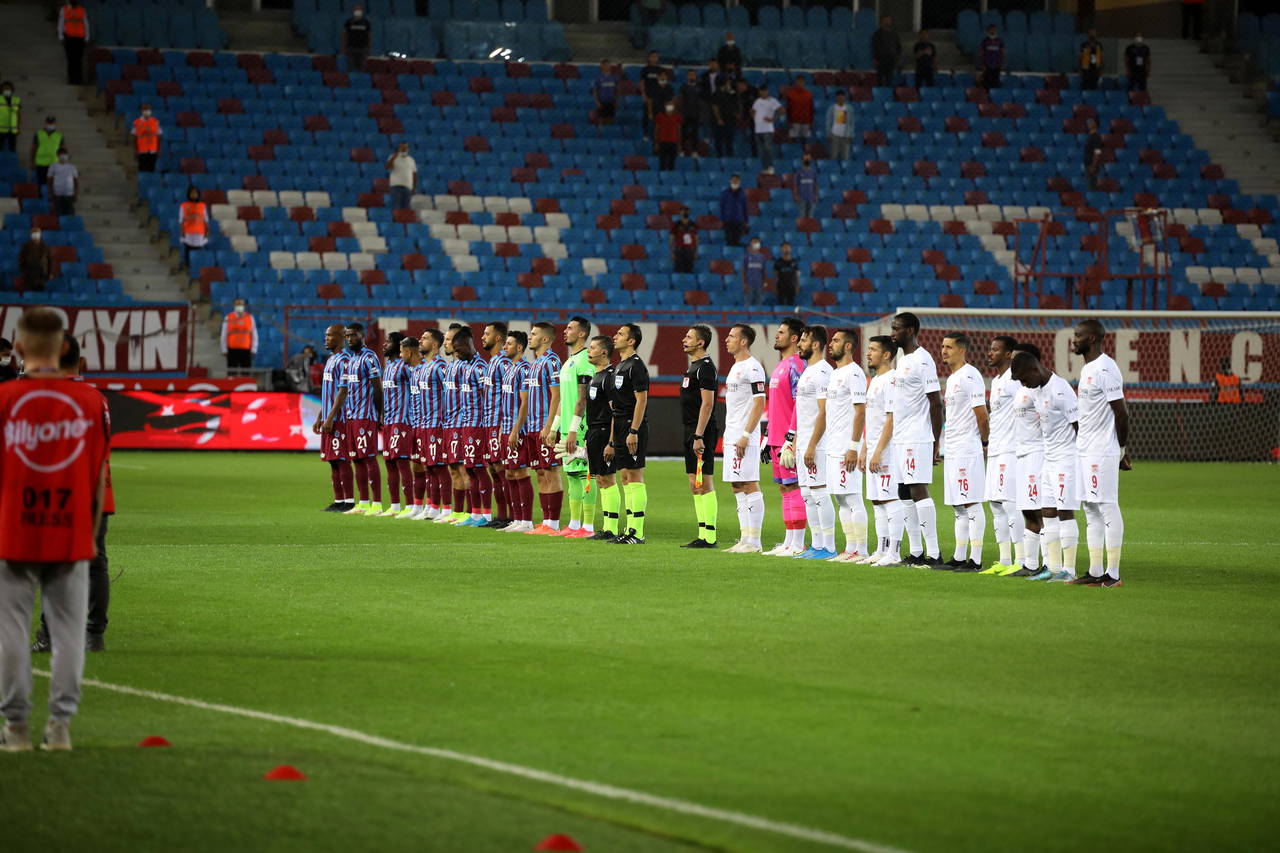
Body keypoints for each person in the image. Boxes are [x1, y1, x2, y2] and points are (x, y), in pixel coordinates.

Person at [0, 308, 109, 753]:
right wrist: (90, 530)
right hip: (71, 531)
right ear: (65, 347)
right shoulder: (90, 401)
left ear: (20, 348)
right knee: (68, 634)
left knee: (10, 632)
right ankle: (61, 728)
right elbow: (97, 476)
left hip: (15, 531)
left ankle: (17, 730)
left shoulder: (5, 399)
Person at [31, 332, 114, 655]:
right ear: (80, 361)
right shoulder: (97, 397)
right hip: (96, 491)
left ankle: (50, 636)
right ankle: (93, 634)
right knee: (96, 562)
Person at [868, 312, 942, 567]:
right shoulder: (903, 361)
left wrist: (935, 440)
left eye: (897, 329)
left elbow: (936, 402)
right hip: (901, 437)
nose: (892, 333)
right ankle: (917, 551)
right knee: (902, 492)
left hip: (917, 436)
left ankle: (933, 553)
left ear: (910, 331)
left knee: (917, 489)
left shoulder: (923, 360)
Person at [1068, 319, 1130, 587]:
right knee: (1090, 508)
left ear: (1092, 338)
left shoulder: (1105, 368)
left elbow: (1122, 411)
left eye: (1078, 335)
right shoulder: (1088, 369)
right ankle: (1094, 571)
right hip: (1085, 449)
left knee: (1106, 505)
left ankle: (1113, 574)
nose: (1074, 339)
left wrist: (1121, 448)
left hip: (1101, 450)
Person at [1010, 349, 1081, 582]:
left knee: (1064, 511)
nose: (1024, 384)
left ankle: (1069, 571)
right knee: (1048, 512)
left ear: (1034, 368)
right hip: (1048, 459)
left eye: (1023, 378)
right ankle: (1052, 568)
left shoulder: (1061, 390)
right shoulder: (1038, 389)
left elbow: (1079, 425)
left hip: (1065, 458)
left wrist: (1081, 458)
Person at [937, 332, 989, 572]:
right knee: (958, 506)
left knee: (971, 504)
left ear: (962, 350)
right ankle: (959, 556)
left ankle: (975, 560)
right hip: (954, 449)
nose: (944, 350)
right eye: (943, 346)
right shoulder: (954, 378)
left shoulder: (970, 376)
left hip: (968, 449)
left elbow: (981, 414)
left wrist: (985, 443)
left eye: (949, 347)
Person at [720, 324, 768, 554]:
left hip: (744, 435)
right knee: (737, 485)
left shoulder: (753, 367)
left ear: (744, 342)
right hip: (732, 433)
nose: (726, 339)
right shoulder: (735, 367)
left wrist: (746, 434)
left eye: (731, 336)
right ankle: (744, 539)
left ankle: (755, 542)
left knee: (749, 482)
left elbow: (760, 402)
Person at [978, 335, 1024, 575]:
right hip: (995, 450)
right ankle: (1005, 560)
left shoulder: (1016, 381)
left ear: (1009, 354)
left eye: (995, 350)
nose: (990, 353)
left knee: (1010, 503)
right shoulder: (996, 381)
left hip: (1011, 449)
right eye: (990, 349)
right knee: (995, 504)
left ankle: (1022, 559)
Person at [857, 335, 903, 564]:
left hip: (888, 450)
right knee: (876, 500)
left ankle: (894, 552)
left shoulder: (892, 380)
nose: (868, 353)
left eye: (873, 349)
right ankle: (881, 549)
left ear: (886, 355)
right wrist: (865, 448)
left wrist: (878, 451)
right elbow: (871, 420)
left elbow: (891, 420)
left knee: (890, 499)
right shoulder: (874, 380)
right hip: (874, 447)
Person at [603, 323, 649, 544]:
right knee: (624, 476)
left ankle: (637, 532)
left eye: (620, 334)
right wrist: (612, 440)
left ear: (632, 341)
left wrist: (634, 430)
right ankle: (629, 528)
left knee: (634, 475)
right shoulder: (618, 367)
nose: (615, 336)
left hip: (632, 425)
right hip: (619, 425)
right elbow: (615, 408)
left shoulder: (636, 366)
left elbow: (642, 400)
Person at [824, 329, 868, 562]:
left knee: (852, 497)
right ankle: (850, 548)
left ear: (849, 346)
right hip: (833, 445)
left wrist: (853, 445)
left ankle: (861, 549)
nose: (831, 344)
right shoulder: (834, 374)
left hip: (845, 446)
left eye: (837, 340)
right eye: (831, 340)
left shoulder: (855, 373)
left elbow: (860, 410)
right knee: (840, 498)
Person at [765, 318, 807, 556]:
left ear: (794, 338)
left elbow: (801, 404)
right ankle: (789, 541)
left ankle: (798, 543)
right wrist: (767, 436)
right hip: (775, 439)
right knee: (784, 489)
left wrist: (793, 438)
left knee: (795, 488)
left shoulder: (796, 366)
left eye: (781, 332)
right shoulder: (780, 365)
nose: (776, 335)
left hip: (789, 439)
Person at [1004, 342, 1046, 577]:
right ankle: (1029, 564)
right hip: (1020, 453)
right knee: (1027, 511)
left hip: (1037, 454)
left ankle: (1050, 564)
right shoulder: (1021, 387)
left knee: (1040, 511)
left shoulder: (1040, 387)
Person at [793, 325, 836, 559]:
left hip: (817, 444)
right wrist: (798, 441)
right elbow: (804, 413)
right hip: (804, 443)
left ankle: (828, 546)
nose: (799, 344)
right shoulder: (808, 371)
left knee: (819, 493)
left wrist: (811, 444)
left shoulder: (822, 372)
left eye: (804, 340)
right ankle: (817, 544)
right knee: (808, 494)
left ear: (816, 344)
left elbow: (824, 412)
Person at [552, 317, 596, 538]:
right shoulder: (568, 361)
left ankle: (588, 526)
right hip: (567, 427)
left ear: (581, 334)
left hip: (579, 427)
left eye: (570, 328)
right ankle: (574, 524)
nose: (565, 331)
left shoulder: (585, 361)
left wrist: (572, 429)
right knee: (571, 475)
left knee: (584, 474)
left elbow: (583, 399)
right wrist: (554, 428)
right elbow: (563, 398)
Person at [576, 335, 621, 541]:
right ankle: (607, 527)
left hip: (605, 432)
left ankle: (611, 527)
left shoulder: (610, 377)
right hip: (594, 431)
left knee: (608, 478)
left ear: (604, 352)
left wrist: (612, 442)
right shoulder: (596, 375)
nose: (589, 351)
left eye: (593, 348)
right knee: (601, 479)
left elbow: (615, 412)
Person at [679, 325, 719, 549]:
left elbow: (708, 403)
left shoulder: (705, 368)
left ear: (701, 342)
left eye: (689, 337)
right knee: (695, 483)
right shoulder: (693, 367)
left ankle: (710, 536)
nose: (684, 340)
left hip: (700, 431)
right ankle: (702, 532)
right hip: (690, 429)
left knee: (705, 482)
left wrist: (699, 435)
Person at [338, 322, 384, 515]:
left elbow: (377, 387)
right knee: (356, 459)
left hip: (366, 416)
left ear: (362, 336)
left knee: (369, 458)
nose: (349, 339)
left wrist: (380, 414)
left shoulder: (369, 357)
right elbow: (345, 390)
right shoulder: (350, 360)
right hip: (351, 416)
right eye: (347, 336)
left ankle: (377, 503)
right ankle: (363, 502)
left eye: (353, 335)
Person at [524, 322, 563, 533]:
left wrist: (550, 426)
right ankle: (546, 521)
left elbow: (557, 395)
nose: (530, 337)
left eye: (534, 334)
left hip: (544, 426)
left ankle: (554, 523)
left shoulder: (552, 362)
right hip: (532, 426)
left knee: (550, 470)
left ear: (545, 339)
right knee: (539, 472)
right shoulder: (535, 363)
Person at [451, 325, 491, 526]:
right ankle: (475, 513)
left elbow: (488, 398)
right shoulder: (464, 367)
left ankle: (488, 514)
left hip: (478, 426)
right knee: (470, 469)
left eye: (459, 349)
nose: (457, 353)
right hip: (466, 425)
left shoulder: (480, 367)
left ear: (468, 344)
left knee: (479, 469)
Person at [315, 324, 355, 512]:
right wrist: (320, 417)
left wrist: (330, 418)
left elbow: (343, 392)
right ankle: (339, 501)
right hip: (330, 417)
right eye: (326, 335)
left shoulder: (345, 360)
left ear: (341, 337)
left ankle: (349, 501)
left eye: (330, 335)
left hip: (341, 418)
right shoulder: (331, 359)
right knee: (332, 460)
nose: (326, 338)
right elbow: (327, 392)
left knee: (341, 459)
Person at [499, 330, 535, 532]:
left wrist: (515, 430)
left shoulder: (524, 369)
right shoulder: (509, 369)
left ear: (519, 347)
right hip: (507, 428)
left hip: (518, 429)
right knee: (510, 473)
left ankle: (526, 521)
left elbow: (525, 402)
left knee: (520, 471)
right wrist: (502, 429)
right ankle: (516, 519)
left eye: (509, 344)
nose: (505, 347)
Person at [478, 322, 513, 529]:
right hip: (487, 424)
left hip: (500, 424)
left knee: (503, 469)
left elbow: (511, 395)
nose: (483, 337)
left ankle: (512, 516)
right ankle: (501, 516)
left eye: (487, 333)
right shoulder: (491, 362)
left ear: (498, 338)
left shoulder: (504, 363)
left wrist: (503, 425)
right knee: (493, 468)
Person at [377, 332, 415, 518]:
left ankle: (409, 506)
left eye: (388, 341)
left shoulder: (404, 367)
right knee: (389, 462)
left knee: (401, 462)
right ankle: (394, 505)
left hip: (403, 421)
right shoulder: (389, 366)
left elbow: (416, 386)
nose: (384, 344)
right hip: (390, 421)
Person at [417, 328, 452, 520]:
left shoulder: (440, 367)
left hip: (438, 423)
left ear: (435, 344)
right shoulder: (423, 367)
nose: (420, 340)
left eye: (425, 338)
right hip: (424, 423)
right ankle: (432, 505)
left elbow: (449, 395)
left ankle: (445, 508)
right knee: (428, 466)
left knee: (439, 465)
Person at [395, 336, 425, 518]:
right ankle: (418, 506)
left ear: (409, 351)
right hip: (415, 425)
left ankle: (436, 506)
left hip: (428, 425)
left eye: (401, 351)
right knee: (417, 467)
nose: (400, 355)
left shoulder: (424, 370)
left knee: (432, 467)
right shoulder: (412, 371)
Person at [220, 298, 258, 372]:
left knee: (246, 373)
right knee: (231, 373)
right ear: (234, 305)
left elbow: (254, 334)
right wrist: (224, 349)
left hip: (246, 350)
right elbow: (223, 334)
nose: (239, 305)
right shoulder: (228, 317)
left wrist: (254, 348)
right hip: (232, 350)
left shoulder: (250, 318)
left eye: (241, 304)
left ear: (244, 305)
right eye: (237, 304)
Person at [751, 84, 782, 173]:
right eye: (761, 91)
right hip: (758, 129)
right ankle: (765, 168)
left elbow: (782, 110)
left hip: (768, 129)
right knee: (761, 150)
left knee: (767, 148)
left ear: (767, 91)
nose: (763, 92)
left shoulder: (772, 101)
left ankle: (771, 166)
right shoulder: (757, 101)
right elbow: (752, 110)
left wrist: (773, 118)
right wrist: (755, 118)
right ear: (759, 92)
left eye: (765, 90)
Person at [57, 1, 89, 85]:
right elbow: (61, 23)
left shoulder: (82, 10)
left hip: (80, 38)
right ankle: (71, 79)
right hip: (69, 37)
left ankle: (78, 80)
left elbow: (85, 23)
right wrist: (61, 36)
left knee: (78, 60)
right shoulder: (64, 9)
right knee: (71, 59)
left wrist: (87, 37)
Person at [31, 115, 62, 192]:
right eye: (49, 123)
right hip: (41, 163)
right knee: (40, 184)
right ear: (45, 123)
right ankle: (40, 199)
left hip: (54, 164)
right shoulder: (38, 134)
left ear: (55, 124)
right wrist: (32, 161)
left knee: (53, 184)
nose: (50, 125)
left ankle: (52, 200)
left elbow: (62, 150)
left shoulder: (59, 135)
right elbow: (33, 149)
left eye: (52, 123)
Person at [179, 186, 208, 269]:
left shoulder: (202, 205)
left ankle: (197, 267)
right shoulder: (184, 205)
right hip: (188, 231)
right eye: (192, 193)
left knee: (198, 251)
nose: (194, 194)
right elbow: (181, 220)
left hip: (200, 232)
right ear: (189, 194)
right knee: (189, 249)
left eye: (195, 193)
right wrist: (182, 233)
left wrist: (207, 233)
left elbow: (206, 220)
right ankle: (188, 266)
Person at [639, 51, 666, 139]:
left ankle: (659, 134)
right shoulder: (645, 69)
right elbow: (642, 83)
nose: (654, 58)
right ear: (649, 58)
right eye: (652, 56)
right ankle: (646, 134)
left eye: (656, 57)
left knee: (660, 116)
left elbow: (664, 82)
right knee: (646, 116)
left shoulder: (661, 70)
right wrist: (643, 95)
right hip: (648, 97)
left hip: (659, 97)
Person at [710, 75, 739, 157]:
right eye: (728, 82)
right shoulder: (716, 94)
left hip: (729, 121)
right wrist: (719, 119)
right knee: (719, 142)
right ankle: (720, 158)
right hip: (720, 122)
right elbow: (715, 107)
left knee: (729, 142)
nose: (729, 84)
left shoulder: (730, 94)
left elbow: (735, 103)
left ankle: (730, 159)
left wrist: (731, 92)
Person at [18, 226, 52, 291]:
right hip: (29, 274)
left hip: (42, 274)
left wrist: (49, 273)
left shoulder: (45, 246)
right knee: (30, 292)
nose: (35, 236)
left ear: (40, 234)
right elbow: (21, 260)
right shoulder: (25, 246)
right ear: (31, 235)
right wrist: (23, 273)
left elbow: (50, 260)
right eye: (34, 234)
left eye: (37, 234)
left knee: (40, 292)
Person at [677, 68, 702, 157]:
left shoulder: (700, 87)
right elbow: (680, 100)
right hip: (685, 114)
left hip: (696, 114)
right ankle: (682, 150)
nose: (691, 76)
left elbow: (701, 101)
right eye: (690, 74)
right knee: (684, 133)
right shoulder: (683, 87)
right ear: (687, 76)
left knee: (695, 133)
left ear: (696, 76)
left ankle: (695, 151)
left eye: (693, 74)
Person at [385, 142, 416, 211]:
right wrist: (395, 156)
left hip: (407, 187)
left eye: (405, 147)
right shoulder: (393, 157)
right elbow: (387, 167)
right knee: (397, 207)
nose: (404, 149)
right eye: (402, 147)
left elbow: (414, 174)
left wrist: (414, 187)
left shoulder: (411, 160)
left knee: (406, 208)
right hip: (396, 187)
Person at [784, 75, 813, 147]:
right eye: (799, 81)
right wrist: (789, 121)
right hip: (794, 121)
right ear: (796, 82)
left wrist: (811, 122)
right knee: (792, 141)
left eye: (802, 81)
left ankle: (805, 158)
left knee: (806, 142)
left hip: (806, 122)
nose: (800, 83)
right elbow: (788, 109)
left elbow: (811, 109)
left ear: (804, 83)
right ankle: (791, 156)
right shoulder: (790, 94)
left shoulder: (809, 94)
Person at [871, 16, 901, 88]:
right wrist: (875, 58)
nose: (887, 22)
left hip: (891, 58)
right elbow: (874, 46)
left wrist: (897, 57)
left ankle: (888, 93)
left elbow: (898, 47)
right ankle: (880, 93)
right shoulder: (877, 33)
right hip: (881, 59)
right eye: (885, 20)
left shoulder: (895, 34)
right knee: (880, 78)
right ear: (881, 22)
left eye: (889, 20)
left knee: (889, 78)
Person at [130, 103, 161, 173]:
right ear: (141, 110)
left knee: (152, 169)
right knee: (142, 169)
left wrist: (159, 149)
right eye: (144, 109)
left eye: (148, 109)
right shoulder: (136, 122)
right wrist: (135, 151)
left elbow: (159, 136)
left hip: (153, 150)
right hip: (142, 150)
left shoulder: (155, 121)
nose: (147, 111)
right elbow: (134, 138)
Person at [720, 174, 748, 247]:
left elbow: (745, 208)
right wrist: (722, 220)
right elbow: (721, 207)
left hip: (739, 220)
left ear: (739, 182)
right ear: (730, 181)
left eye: (737, 180)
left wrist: (746, 221)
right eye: (733, 180)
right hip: (728, 221)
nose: (735, 182)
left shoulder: (743, 194)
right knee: (729, 240)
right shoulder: (725, 193)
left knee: (737, 241)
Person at [825, 89, 853, 162]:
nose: (841, 99)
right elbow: (828, 122)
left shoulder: (849, 108)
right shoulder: (832, 108)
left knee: (845, 156)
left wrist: (851, 134)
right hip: (835, 135)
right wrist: (828, 134)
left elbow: (851, 123)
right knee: (833, 155)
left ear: (844, 98)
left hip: (845, 135)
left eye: (842, 97)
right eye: (839, 97)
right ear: (836, 98)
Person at [653, 99, 681, 170]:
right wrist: (656, 142)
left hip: (673, 143)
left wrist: (679, 144)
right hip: (663, 142)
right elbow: (656, 130)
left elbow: (679, 131)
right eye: (668, 106)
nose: (669, 107)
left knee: (672, 164)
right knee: (662, 163)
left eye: (671, 106)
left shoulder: (677, 116)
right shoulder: (660, 116)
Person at [343, 4, 372, 71]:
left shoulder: (366, 22)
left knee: (362, 68)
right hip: (351, 48)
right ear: (353, 11)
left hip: (363, 48)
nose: (358, 12)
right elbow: (344, 35)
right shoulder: (349, 22)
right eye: (356, 10)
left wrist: (369, 48)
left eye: (360, 10)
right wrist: (344, 47)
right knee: (351, 68)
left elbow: (369, 35)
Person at [670, 207, 698, 274]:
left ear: (689, 212)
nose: (685, 213)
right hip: (679, 251)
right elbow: (671, 239)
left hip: (690, 251)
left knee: (689, 271)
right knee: (678, 271)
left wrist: (696, 252)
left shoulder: (693, 225)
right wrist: (671, 251)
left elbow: (696, 239)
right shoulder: (676, 224)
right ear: (680, 213)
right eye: (683, 211)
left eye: (687, 211)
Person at [592, 60, 619, 127]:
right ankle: (601, 135)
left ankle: (610, 133)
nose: (608, 66)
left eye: (609, 64)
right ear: (602, 66)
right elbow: (595, 91)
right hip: (602, 101)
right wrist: (597, 101)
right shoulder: (598, 78)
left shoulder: (614, 77)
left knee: (611, 119)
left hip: (611, 102)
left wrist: (617, 100)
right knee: (602, 119)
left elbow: (617, 90)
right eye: (606, 64)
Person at [772, 241, 799, 307]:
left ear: (790, 249)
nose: (786, 249)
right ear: (781, 249)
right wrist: (774, 287)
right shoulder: (778, 262)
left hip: (791, 286)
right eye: (784, 248)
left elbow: (797, 276)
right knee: (781, 305)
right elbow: (775, 276)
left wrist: (797, 286)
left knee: (791, 305)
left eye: (788, 247)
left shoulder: (794, 262)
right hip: (781, 286)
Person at [735, 78, 758, 157]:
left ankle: (755, 155)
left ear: (745, 84)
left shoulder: (753, 92)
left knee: (754, 138)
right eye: (737, 86)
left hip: (754, 119)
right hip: (744, 118)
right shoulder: (738, 93)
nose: (739, 87)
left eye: (740, 86)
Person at [791, 154, 818, 219]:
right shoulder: (799, 172)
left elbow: (815, 184)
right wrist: (796, 195)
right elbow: (795, 185)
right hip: (801, 197)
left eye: (808, 159)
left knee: (810, 217)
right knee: (802, 216)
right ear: (802, 160)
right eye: (805, 159)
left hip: (811, 197)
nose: (807, 160)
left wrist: (816, 195)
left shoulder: (813, 172)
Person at [743, 237, 768, 306]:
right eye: (754, 242)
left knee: (759, 303)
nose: (755, 244)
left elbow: (764, 271)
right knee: (748, 302)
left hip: (759, 284)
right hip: (749, 283)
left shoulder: (762, 257)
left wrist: (765, 282)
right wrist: (744, 283)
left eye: (757, 242)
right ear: (751, 244)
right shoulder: (747, 257)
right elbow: (744, 270)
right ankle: (746, 316)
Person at [979, 25, 1005, 90]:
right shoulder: (985, 41)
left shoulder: (1000, 41)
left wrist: (1001, 63)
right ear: (988, 31)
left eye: (994, 30)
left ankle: (995, 96)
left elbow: (1002, 53)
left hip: (997, 65)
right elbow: (982, 53)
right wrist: (983, 64)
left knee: (995, 82)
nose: (992, 31)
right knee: (987, 82)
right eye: (991, 30)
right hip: (987, 65)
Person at [1084, 117, 1104, 191]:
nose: (1088, 123)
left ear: (1095, 124)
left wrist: (1093, 166)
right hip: (1089, 165)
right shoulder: (1090, 136)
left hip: (1092, 166)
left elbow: (1097, 152)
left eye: (1091, 122)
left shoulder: (1096, 137)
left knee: (1092, 187)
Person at [0, 82, 20, 152]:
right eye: (5, 88)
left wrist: (18, 127)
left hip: (12, 129)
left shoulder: (16, 99)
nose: (7, 90)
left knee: (12, 149)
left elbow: (18, 114)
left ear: (12, 89)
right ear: (1, 89)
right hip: (1, 129)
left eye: (8, 88)